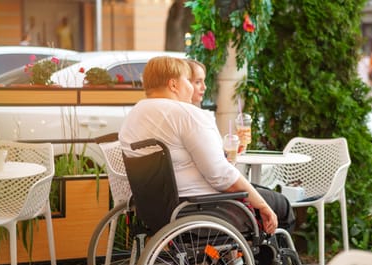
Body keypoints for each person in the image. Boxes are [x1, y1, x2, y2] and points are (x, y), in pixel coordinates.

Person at [119, 56, 295, 235]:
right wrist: (262, 205)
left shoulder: (133, 116)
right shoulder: (186, 114)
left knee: (259, 192)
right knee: (281, 205)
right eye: (188, 80)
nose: (192, 87)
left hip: (155, 212)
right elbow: (221, 177)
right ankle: (263, 262)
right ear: (173, 85)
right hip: (197, 209)